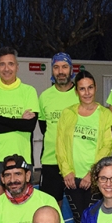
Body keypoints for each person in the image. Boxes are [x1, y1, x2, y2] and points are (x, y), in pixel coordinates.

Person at [56, 70, 112, 223]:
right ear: (77, 91)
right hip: (72, 178)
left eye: (90, 88)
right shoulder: (67, 114)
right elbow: (60, 145)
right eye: (82, 89)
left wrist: (93, 173)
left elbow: (108, 146)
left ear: (95, 88)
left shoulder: (105, 115)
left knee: (94, 221)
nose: (87, 92)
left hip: (95, 179)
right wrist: (66, 171)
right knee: (78, 222)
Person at [0, 47, 39, 199]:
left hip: (22, 157)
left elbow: (29, 126)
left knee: (21, 209)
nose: (7, 69)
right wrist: (18, 122)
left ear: (17, 67)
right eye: (2, 64)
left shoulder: (29, 91)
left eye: (11, 64)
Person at [38, 52, 79, 204]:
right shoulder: (44, 96)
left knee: (80, 212)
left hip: (76, 162)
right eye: (56, 67)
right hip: (51, 161)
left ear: (71, 69)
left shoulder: (80, 95)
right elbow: (44, 127)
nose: (60, 71)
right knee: (51, 209)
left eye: (64, 67)